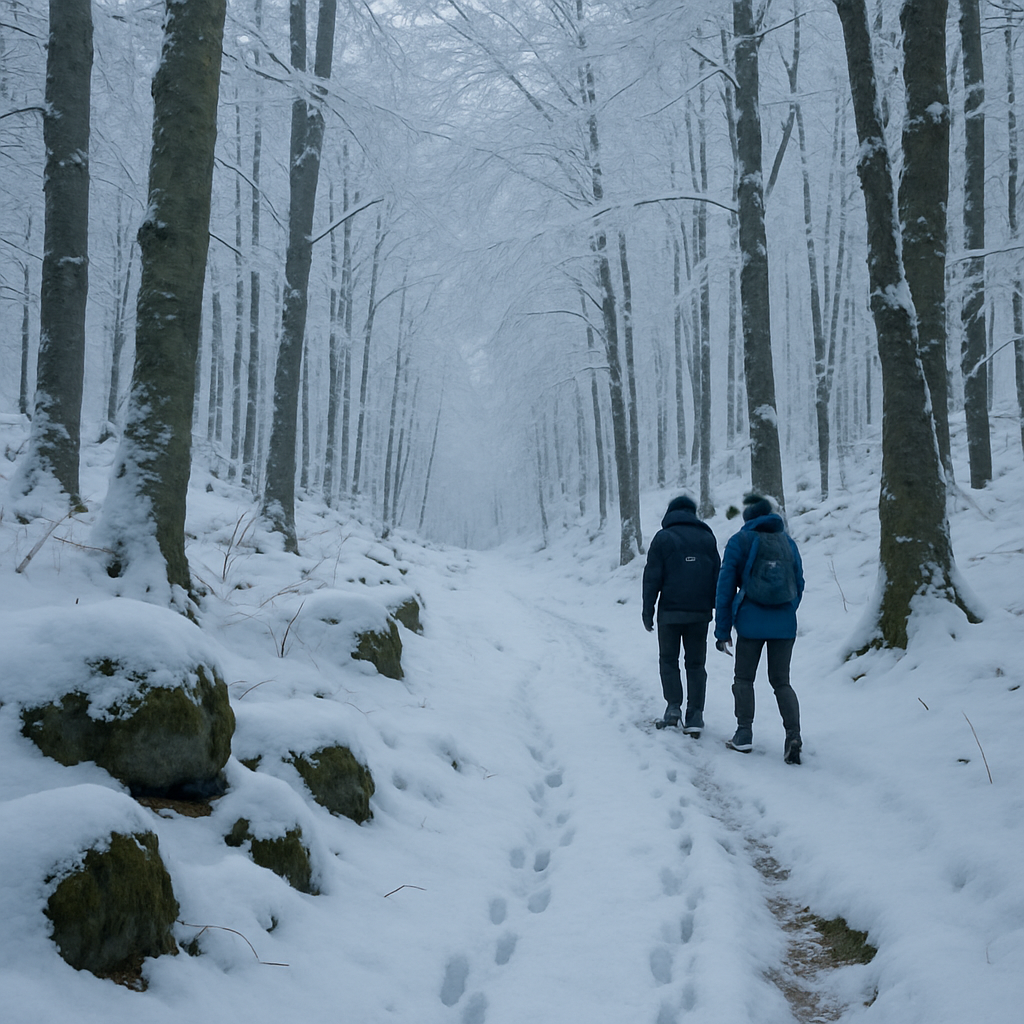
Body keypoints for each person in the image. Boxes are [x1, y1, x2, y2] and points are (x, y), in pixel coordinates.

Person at [714, 493, 804, 764]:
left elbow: (725, 586)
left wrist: (723, 630)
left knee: (744, 678)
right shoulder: (787, 542)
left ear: (748, 519)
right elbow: (799, 582)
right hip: (785, 624)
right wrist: (787, 609)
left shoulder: (740, 540)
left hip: (750, 622)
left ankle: (744, 734)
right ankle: (793, 736)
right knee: (781, 681)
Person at [642, 494, 721, 733]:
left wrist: (648, 610)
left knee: (669, 660)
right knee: (696, 664)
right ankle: (695, 715)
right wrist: (718, 609)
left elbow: (651, 577)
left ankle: (673, 707)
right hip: (699, 614)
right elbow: (717, 575)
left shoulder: (664, 538)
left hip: (670, 614)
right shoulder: (707, 538)